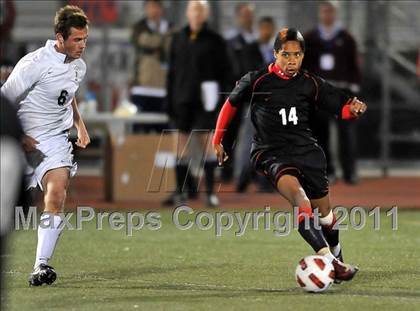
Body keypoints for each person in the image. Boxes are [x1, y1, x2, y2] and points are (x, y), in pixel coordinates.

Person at [213, 28, 367, 282]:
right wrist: (218, 139)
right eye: (285, 54)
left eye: (296, 54)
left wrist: (355, 110)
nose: (291, 60)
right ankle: (330, 262)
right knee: (300, 198)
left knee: (326, 216)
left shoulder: (311, 83)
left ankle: (337, 257)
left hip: (307, 152)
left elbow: (341, 109)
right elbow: (230, 104)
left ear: (303, 56)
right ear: (275, 54)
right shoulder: (257, 80)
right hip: (271, 153)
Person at [1, 5, 90, 286]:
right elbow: (4, 100)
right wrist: (17, 135)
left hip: (54, 140)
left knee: (57, 192)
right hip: (22, 141)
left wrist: (79, 123)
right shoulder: (34, 64)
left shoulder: (79, 65)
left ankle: (41, 265)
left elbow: (67, 94)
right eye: (77, 39)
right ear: (60, 38)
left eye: (85, 39)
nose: (82, 45)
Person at [166, 0, 230, 207]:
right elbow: (172, 73)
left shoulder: (216, 40)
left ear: (207, 14)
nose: (197, 13)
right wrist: (169, 101)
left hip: (206, 102)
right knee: (180, 145)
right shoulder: (178, 38)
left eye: (201, 10)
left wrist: (221, 99)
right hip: (181, 99)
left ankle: (210, 193)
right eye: (194, 9)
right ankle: (181, 192)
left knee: (208, 145)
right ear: (187, 12)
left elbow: (227, 72)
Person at [303, 1, 361, 184]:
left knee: (347, 133)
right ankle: (328, 171)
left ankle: (349, 172)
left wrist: (354, 86)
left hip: (342, 92)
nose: (327, 15)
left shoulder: (346, 38)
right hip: (320, 92)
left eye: (331, 11)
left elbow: (355, 66)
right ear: (320, 13)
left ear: (335, 14)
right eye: (324, 11)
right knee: (320, 134)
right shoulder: (310, 38)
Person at [235, 16, 276, 192]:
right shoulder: (249, 49)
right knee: (248, 143)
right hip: (254, 102)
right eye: (263, 28)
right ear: (259, 29)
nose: (266, 32)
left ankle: (265, 181)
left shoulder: (278, 51)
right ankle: (242, 178)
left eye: (269, 28)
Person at [222, 2, 257, 182]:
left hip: (254, 94)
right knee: (230, 131)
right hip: (236, 92)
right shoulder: (231, 42)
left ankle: (248, 172)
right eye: (244, 15)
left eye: (250, 14)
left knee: (254, 134)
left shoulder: (258, 41)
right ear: (238, 17)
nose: (248, 18)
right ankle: (226, 169)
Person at [131, 0, 172, 112]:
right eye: (150, 7)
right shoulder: (139, 27)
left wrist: (155, 43)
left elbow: (171, 46)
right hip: (142, 87)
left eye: (156, 6)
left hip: (165, 87)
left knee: (164, 126)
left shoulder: (170, 27)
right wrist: (164, 39)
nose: (154, 10)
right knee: (141, 125)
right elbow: (143, 41)